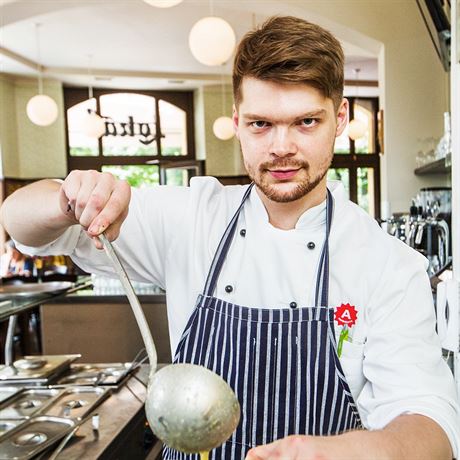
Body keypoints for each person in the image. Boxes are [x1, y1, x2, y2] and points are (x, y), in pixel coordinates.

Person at [0, 15, 458, 460]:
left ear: (339, 118)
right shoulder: (192, 216)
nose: (281, 147)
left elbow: (431, 426)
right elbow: (22, 226)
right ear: (236, 120)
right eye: (261, 124)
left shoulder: (387, 262)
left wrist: (344, 453)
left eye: (305, 122)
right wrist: (70, 198)